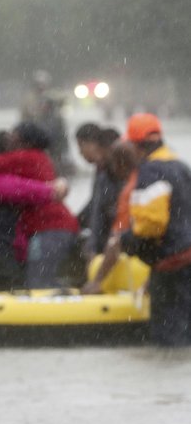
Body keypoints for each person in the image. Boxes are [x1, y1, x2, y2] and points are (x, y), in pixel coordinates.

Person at [116, 113, 191, 345]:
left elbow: (151, 225)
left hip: (171, 263)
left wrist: (126, 239)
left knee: (169, 337)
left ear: (135, 145)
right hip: (186, 258)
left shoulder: (151, 171)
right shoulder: (180, 166)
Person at [0, 121, 79, 288]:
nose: (10, 141)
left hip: (49, 228)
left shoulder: (26, 157)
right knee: (43, 278)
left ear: (26, 142)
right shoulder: (39, 157)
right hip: (54, 227)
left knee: (39, 281)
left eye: (13, 137)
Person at [82, 140, 150, 294]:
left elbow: (116, 241)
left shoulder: (131, 191)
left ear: (118, 165)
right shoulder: (150, 178)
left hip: (153, 264)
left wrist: (97, 281)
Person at [74, 123, 123, 260]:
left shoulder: (112, 171)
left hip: (114, 239)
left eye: (81, 146)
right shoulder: (102, 170)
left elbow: (99, 209)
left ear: (94, 145)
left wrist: (93, 246)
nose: (80, 153)